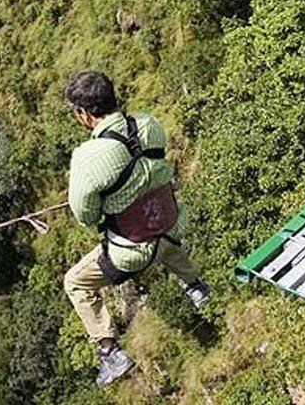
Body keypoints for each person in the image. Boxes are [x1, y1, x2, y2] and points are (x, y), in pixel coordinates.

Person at [62, 71, 210, 387]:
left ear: (84, 114)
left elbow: (86, 216)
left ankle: (110, 352)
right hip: (171, 225)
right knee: (158, 230)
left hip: (133, 251)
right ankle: (197, 287)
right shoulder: (148, 123)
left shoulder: (86, 158)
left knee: (75, 282)